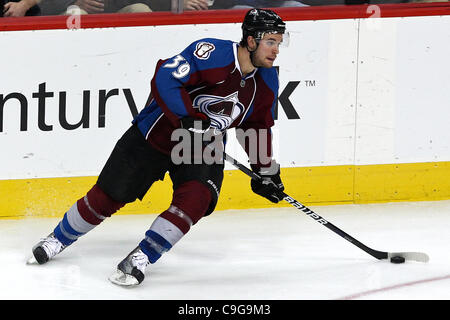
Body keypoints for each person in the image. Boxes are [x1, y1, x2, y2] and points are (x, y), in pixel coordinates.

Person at [28, 8, 287, 286]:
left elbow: (257, 126)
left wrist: (266, 170)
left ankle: (141, 257)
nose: (276, 50)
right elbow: (165, 77)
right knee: (109, 196)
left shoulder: (268, 81)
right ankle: (58, 238)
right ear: (250, 40)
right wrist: (186, 118)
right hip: (158, 132)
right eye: (270, 42)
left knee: (196, 199)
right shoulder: (211, 53)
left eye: (279, 43)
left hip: (202, 144)